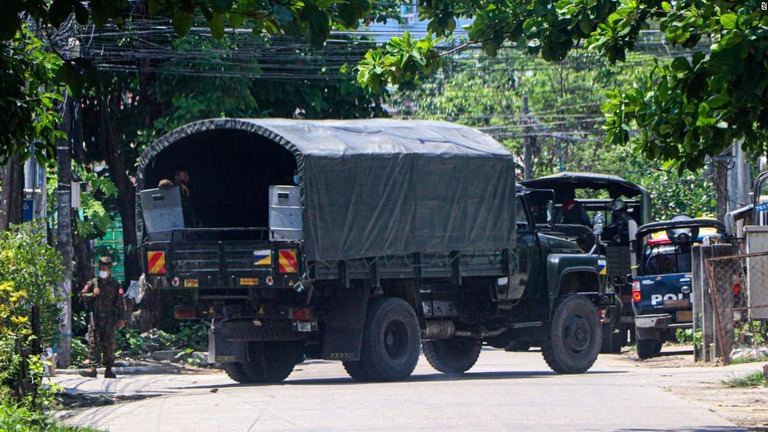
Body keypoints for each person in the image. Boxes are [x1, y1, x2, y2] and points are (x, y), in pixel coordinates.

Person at [79, 256, 126, 378]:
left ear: (110, 269)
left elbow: (120, 302)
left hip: (109, 318)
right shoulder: (93, 282)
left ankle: (109, 369)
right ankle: (93, 367)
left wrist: (122, 318)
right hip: (95, 316)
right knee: (93, 342)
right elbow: (82, 295)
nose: (103, 269)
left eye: (106, 267)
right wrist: (92, 294)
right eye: (101, 267)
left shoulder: (116, 284)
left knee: (109, 343)